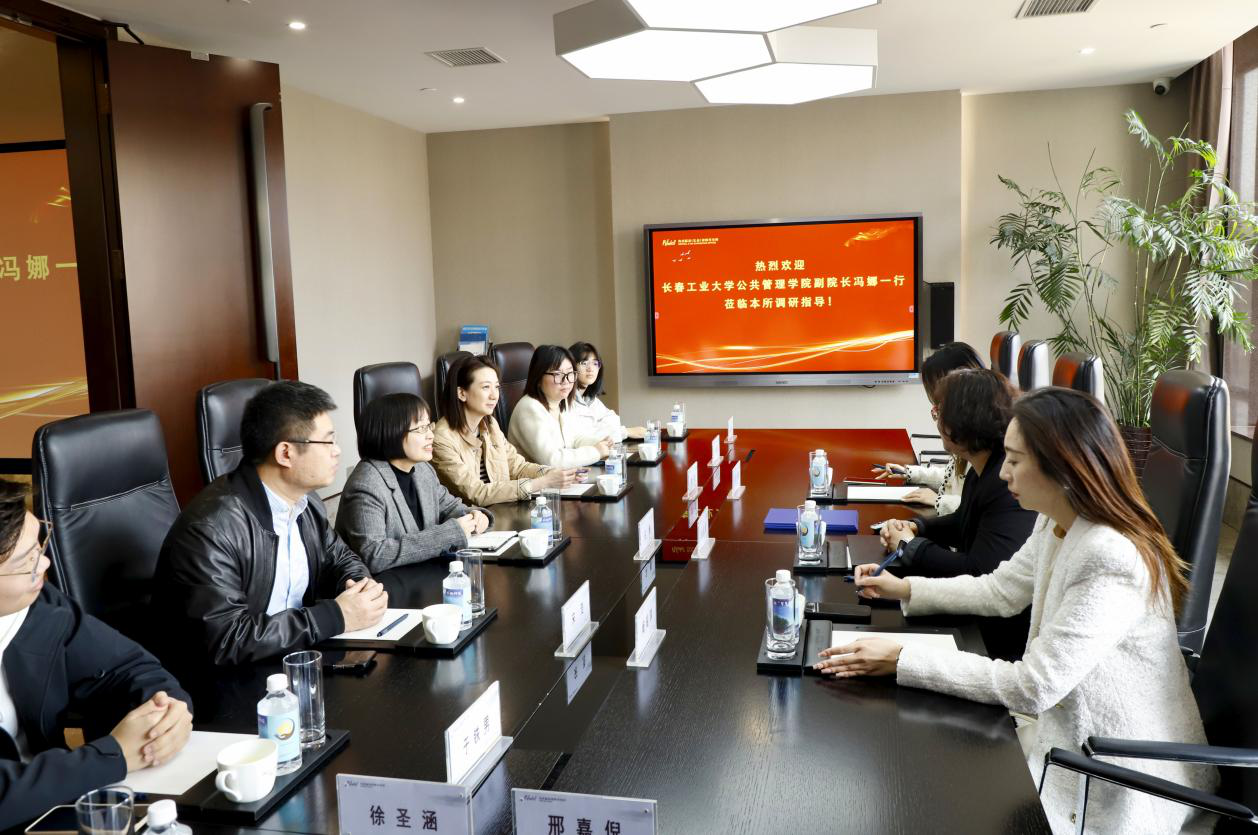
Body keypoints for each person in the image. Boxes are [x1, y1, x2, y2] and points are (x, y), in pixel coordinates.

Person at [818, 387, 1216, 835]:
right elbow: (1000, 590)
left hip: (1117, 778)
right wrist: (905, 587)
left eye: (1015, 460)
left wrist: (901, 659)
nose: (1003, 472)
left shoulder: (1109, 556)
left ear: (1064, 466)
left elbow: (1034, 686)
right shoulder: (1058, 520)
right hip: (1065, 739)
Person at [0, 480, 193, 828]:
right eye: (26, 561)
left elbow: (129, 667)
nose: (44, 563)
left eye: (38, 545)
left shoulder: (37, 605)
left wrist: (165, 715)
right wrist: (111, 756)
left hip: (53, 813)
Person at [156, 381, 387, 666]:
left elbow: (340, 558)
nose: (337, 451)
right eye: (328, 442)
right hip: (226, 679)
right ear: (285, 453)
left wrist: (361, 589)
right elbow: (226, 639)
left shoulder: (306, 502)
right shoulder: (212, 530)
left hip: (294, 658)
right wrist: (335, 616)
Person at [878, 368, 1036, 660]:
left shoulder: (1006, 483)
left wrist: (910, 547)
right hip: (978, 618)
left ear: (963, 421)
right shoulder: (983, 466)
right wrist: (917, 527)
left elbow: (978, 571)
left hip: (996, 641)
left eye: (940, 411)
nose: (936, 418)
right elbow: (963, 520)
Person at [337, 393, 493, 573]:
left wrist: (474, 516)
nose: (431, 435)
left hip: (422, 575)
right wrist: (450, 533)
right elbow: (374, 555)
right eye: (421, 429)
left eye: (429, 426)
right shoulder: (366, 485)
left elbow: (449, 507)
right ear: (392, 432)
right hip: (386, 585)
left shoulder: (422, 469)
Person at [432, 355, 578, 505]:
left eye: (496, 387)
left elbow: (517, 467)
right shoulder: (441, 439)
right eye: (486, 387)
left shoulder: (490, 425)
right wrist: (542, 482)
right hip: (473, 516)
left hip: (503, 508)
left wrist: (552, 473)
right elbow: (476, 493)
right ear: (462, 393)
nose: (494, 396)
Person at [872, 341, 985, 513]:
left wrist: (939, 500)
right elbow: (954, 478)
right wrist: (910, 473)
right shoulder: (967, 430)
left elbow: (984, 508)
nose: (937, 406)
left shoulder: (984, 442)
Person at [507, 344, 611, 467]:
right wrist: (596, 451)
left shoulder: (561, 401)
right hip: (536, 478)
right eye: (558, 374)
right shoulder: (529, 408)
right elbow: (552, 460)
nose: (566, 381)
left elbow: (574, 439)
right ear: (538, 378)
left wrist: (601, 443)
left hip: (563, 476)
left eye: (570, 373)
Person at [567, 341, 644, 444]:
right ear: (570, 366)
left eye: (595, 363)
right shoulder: (564, 399)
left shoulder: (590, 399)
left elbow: (614, 421)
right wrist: (626, 431)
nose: (590, 368)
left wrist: (607, 431)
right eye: (584, 363)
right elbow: (586, 437)